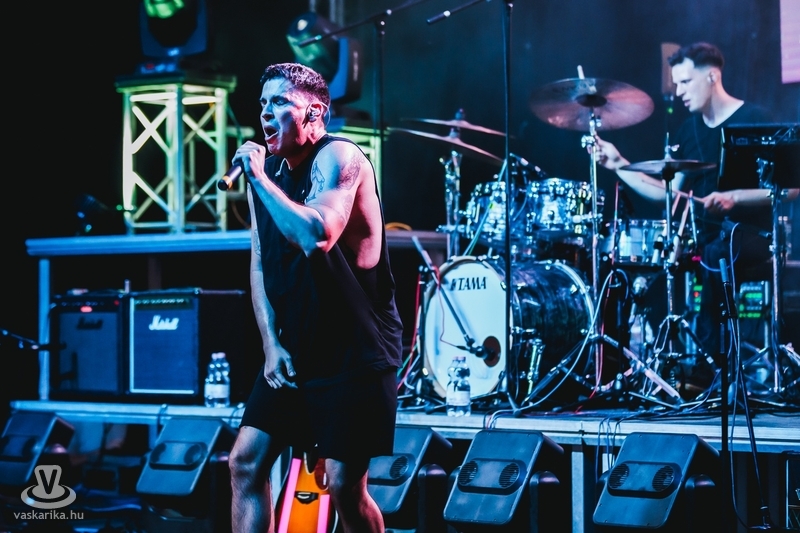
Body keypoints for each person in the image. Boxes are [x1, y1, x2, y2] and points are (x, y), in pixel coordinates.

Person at [228, 63, 404, 533]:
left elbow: (317, 235)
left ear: (314, 112)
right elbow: (261, 261)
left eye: (280, 103)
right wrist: (270, 343)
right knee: (244, 462)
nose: (266, 114)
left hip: (354, 349)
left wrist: (258, 179)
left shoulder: (340, 156)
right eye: (262, 104)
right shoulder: (269, 174)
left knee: (345, 487)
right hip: (295, 346)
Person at [594, 42, 798, 364]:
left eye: (685, 82)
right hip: (707, 240)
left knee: (718, 252)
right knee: (667, 263)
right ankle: (676, 364)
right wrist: (619, 164)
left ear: (712, 76)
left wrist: (734, 197)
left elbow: (791, 189)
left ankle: (715, 363)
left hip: (755, 237)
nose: (679, 92)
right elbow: (667, 194)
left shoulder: (755, 118)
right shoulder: (689, 131)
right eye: (677, 83)